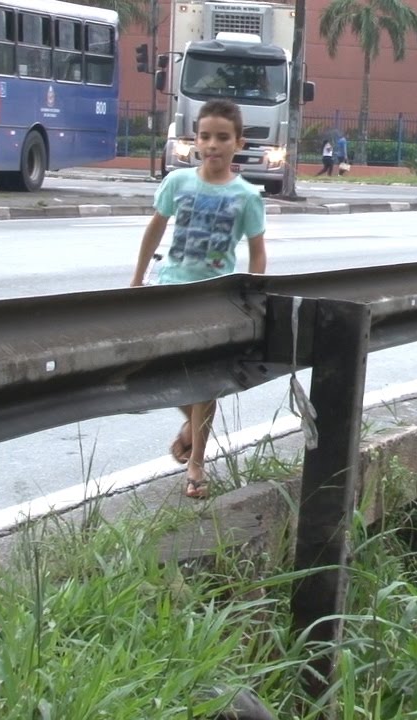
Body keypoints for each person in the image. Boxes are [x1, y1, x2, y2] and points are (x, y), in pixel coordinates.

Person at [130, 99, 268, 499]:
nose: (213, 145)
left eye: (222, 138)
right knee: (157, 370)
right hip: (170, 292)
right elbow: (154, 231)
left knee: (205, 382)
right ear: (196, 141)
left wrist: (251, 296)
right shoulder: (178, 183)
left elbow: (258, 253)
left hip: (216, 299)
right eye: (205, 136)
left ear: (237, 143)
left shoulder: (246, 196)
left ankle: (196, 466)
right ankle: (192, 423)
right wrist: (137, 280)